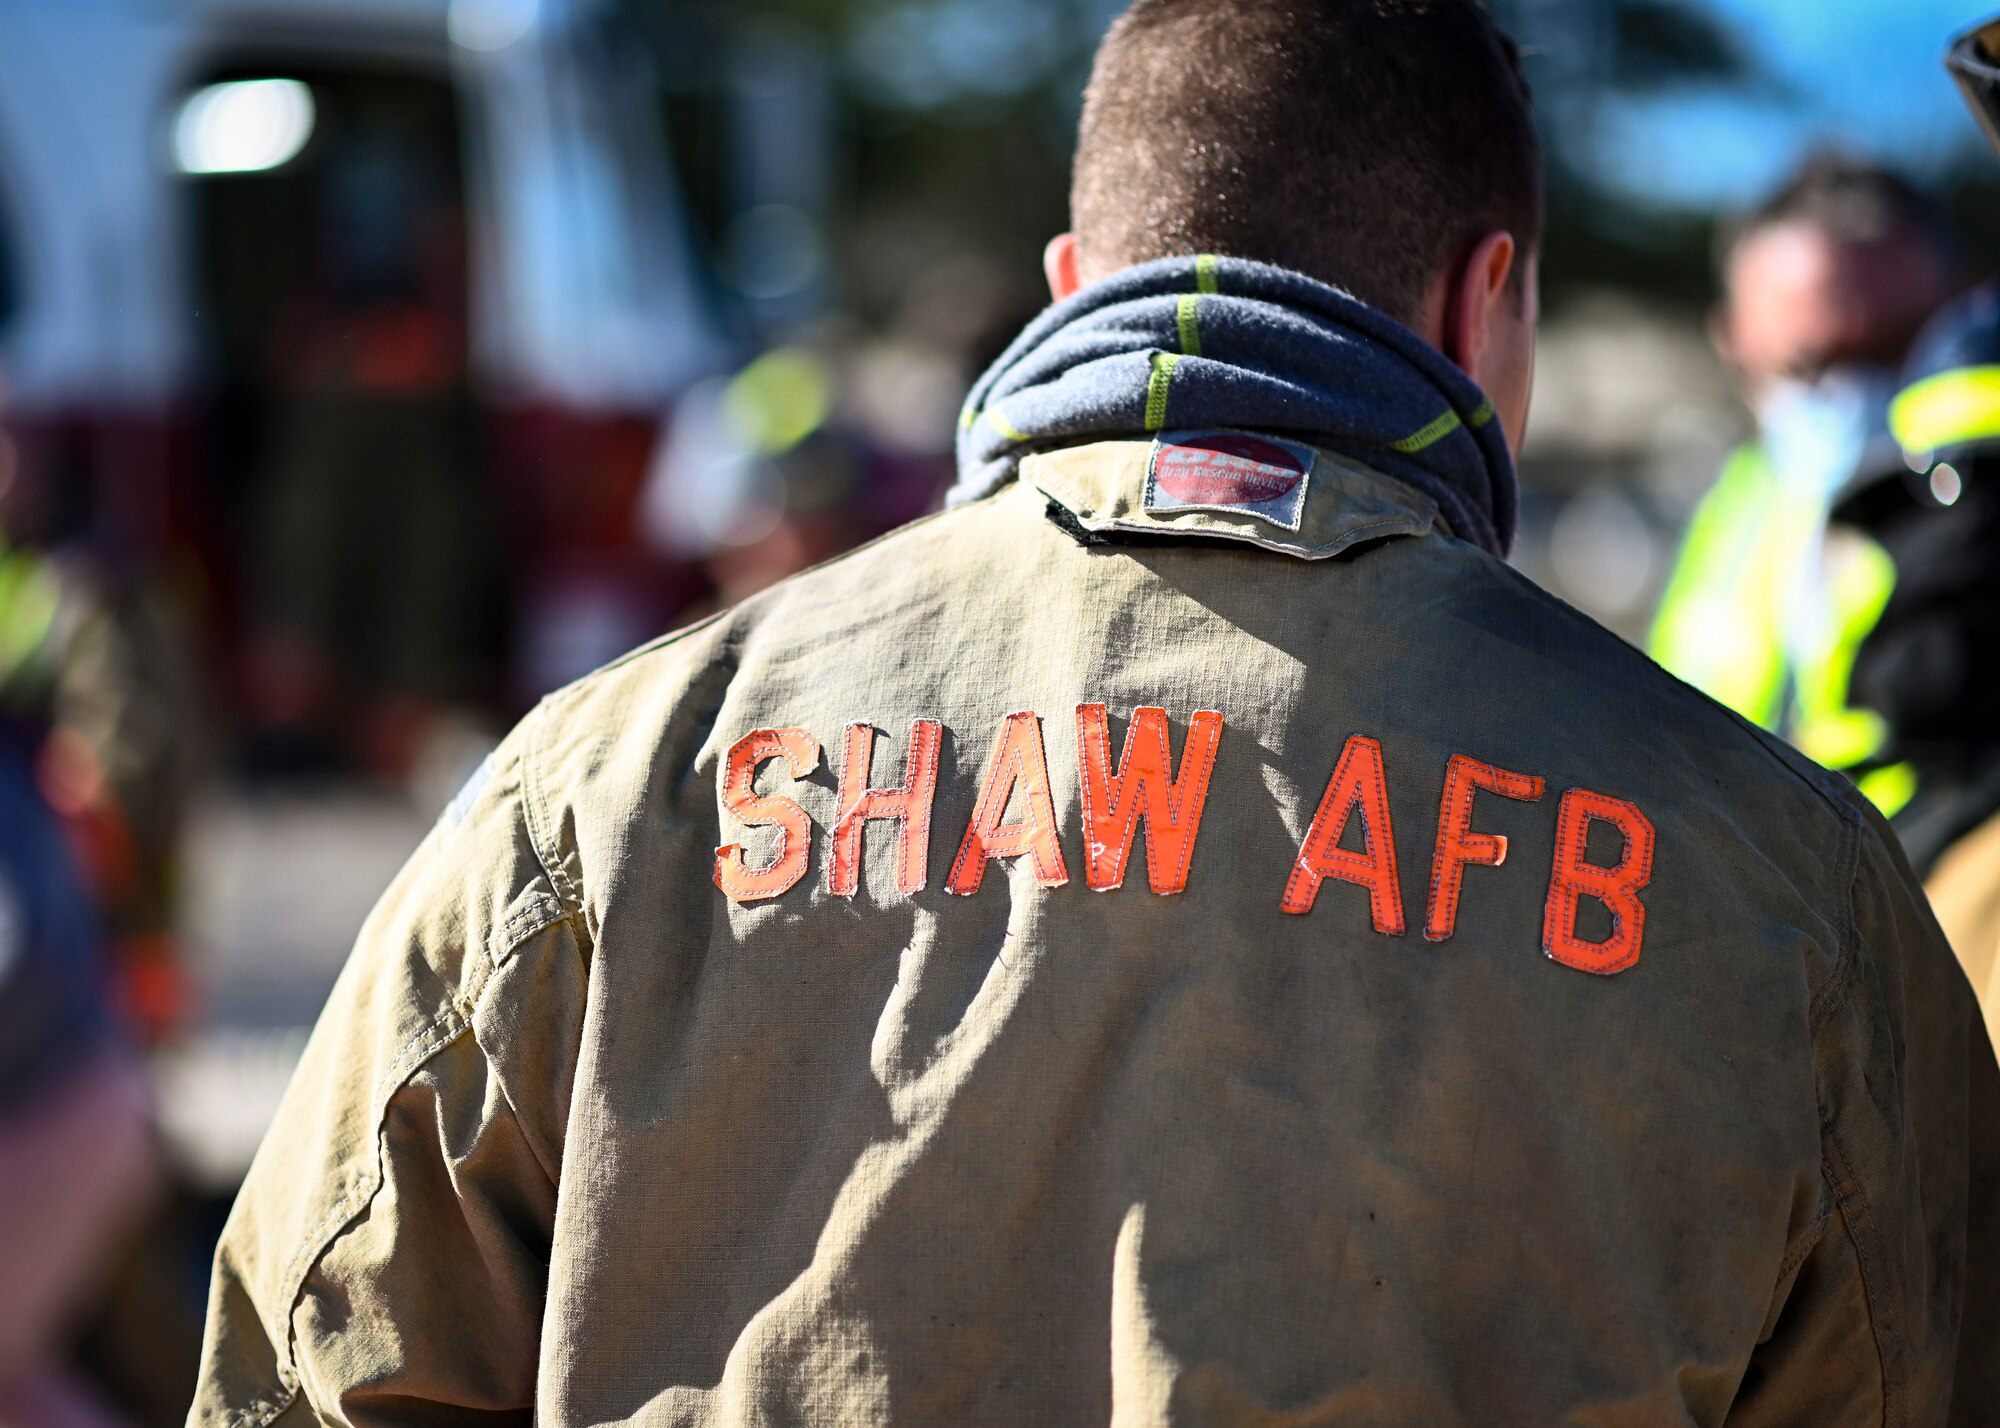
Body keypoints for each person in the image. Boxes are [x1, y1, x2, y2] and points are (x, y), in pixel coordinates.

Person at [193, 2, 1999, 1422]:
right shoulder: (1786, 891)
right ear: (1486, 297)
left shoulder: (603, 790)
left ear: (1079, 287)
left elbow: (311, 1367)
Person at [1648, 156, 1958, 801]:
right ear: (1734, 340)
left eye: (1892, 350)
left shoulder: (1979, 519)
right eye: (1811, 365)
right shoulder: (1732, 511)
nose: (1855, 398)